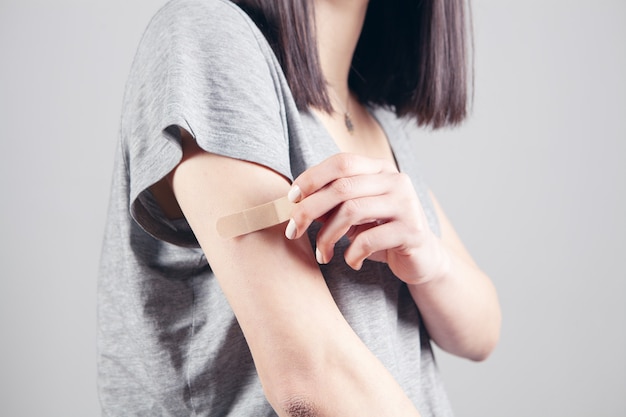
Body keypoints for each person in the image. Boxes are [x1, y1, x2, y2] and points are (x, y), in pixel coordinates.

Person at [98, 0, 501, 415]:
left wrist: (431, 262)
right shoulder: (210, 38)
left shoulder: (377, 120)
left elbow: (482, 332)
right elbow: (311, 378)